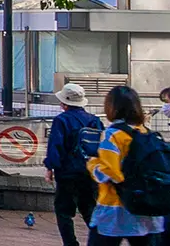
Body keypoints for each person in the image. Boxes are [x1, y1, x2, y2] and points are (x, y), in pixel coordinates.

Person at [88, 84, 167, 243]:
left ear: (112, 107)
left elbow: (109, 172)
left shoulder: (113, 134)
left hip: (114, 207)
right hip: (146, 207)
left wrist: (92, 164)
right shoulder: (147, 133)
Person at [46, 82, 103, 246]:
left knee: (64, 211)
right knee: (89, 208)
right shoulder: (94, 121)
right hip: (89, 171)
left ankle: (71, 243)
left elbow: (55, 146)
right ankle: (98, 241)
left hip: (67, 172)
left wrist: (50, 167)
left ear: (65, 103)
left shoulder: (61, 120)